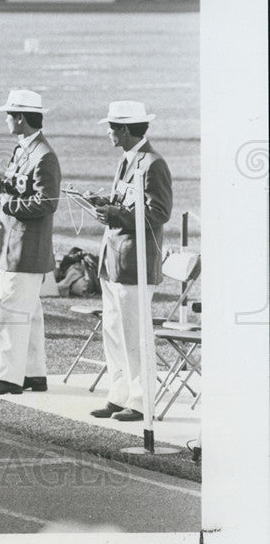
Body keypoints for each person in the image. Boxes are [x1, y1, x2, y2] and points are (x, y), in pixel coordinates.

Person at [86, 101, 173, 421]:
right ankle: (119, 394)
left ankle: (141, 400)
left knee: (134, 335)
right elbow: (128, 204)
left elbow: (159, 213)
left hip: (134, 263)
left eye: (112, 127)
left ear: (124, 130)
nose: (109, 133)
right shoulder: (128, 160)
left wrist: (116, 214)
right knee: (114, 331)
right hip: (115, 261)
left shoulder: (152, 163)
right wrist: (105, 204)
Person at [0, 89, 61, 397]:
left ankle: (8, 378)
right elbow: (17, 185)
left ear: (20, 119)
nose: (8, 120)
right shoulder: (25, 149)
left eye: (10, 115)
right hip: (17, 243)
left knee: (13, 311)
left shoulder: (44, 156)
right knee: (30, 313)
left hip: (26, 247)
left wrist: (6, 204)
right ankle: (34, 373)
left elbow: (46, 203)